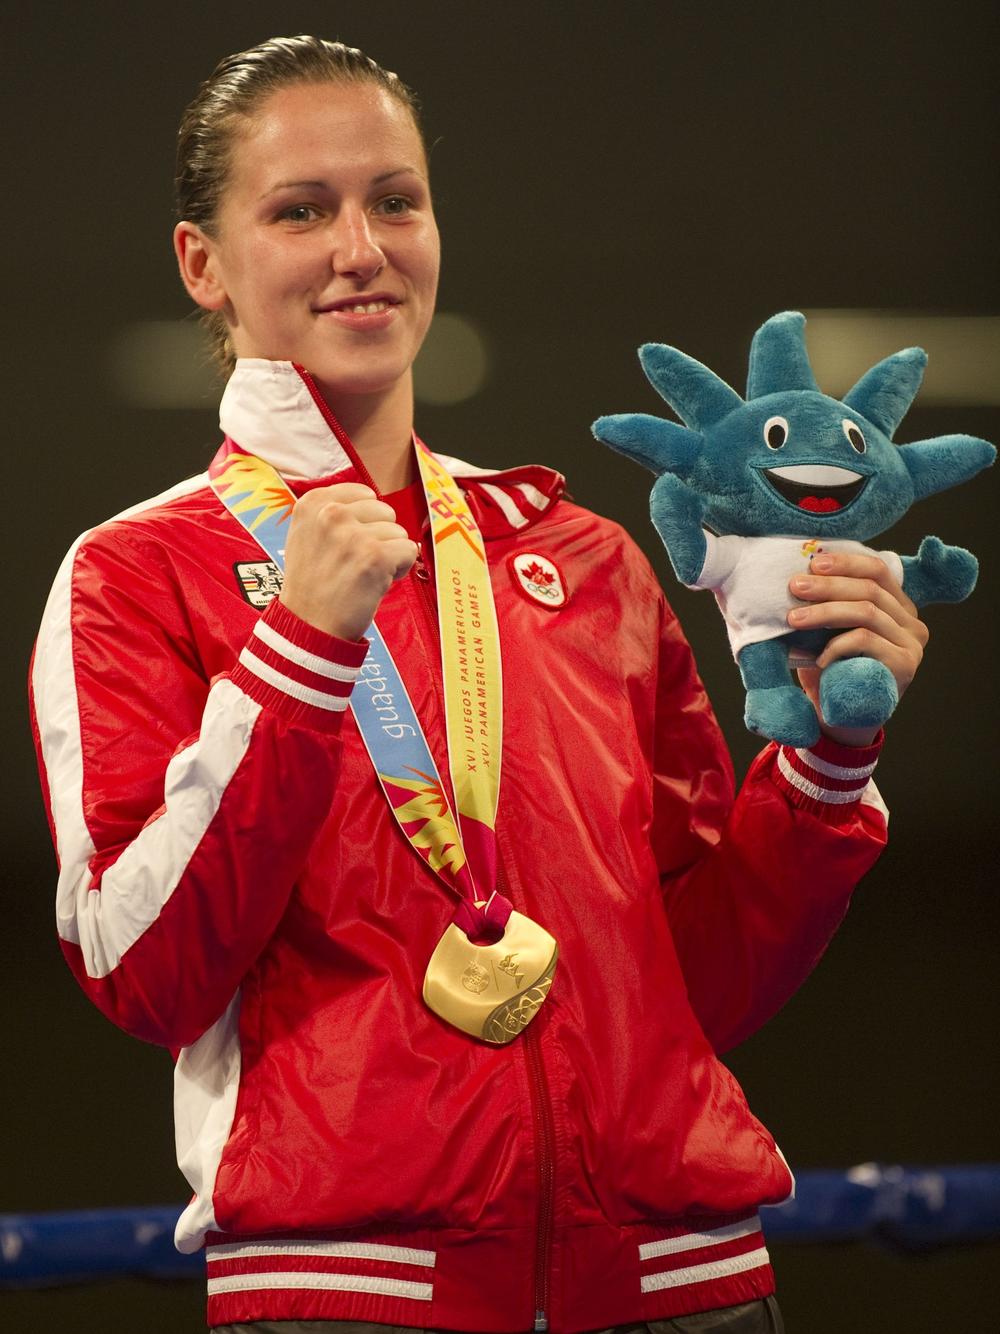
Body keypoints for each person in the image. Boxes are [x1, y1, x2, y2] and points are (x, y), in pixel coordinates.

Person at [29, 34, 929, 1334]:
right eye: (301, 210)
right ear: (203, 266)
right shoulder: (140, 572)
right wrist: (299, 657)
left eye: (394, 199)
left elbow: (697, 991)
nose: (360, 246)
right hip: (358, 1297)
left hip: (690, 1289)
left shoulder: (584, 560)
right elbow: (149, 973)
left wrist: (826, 763)